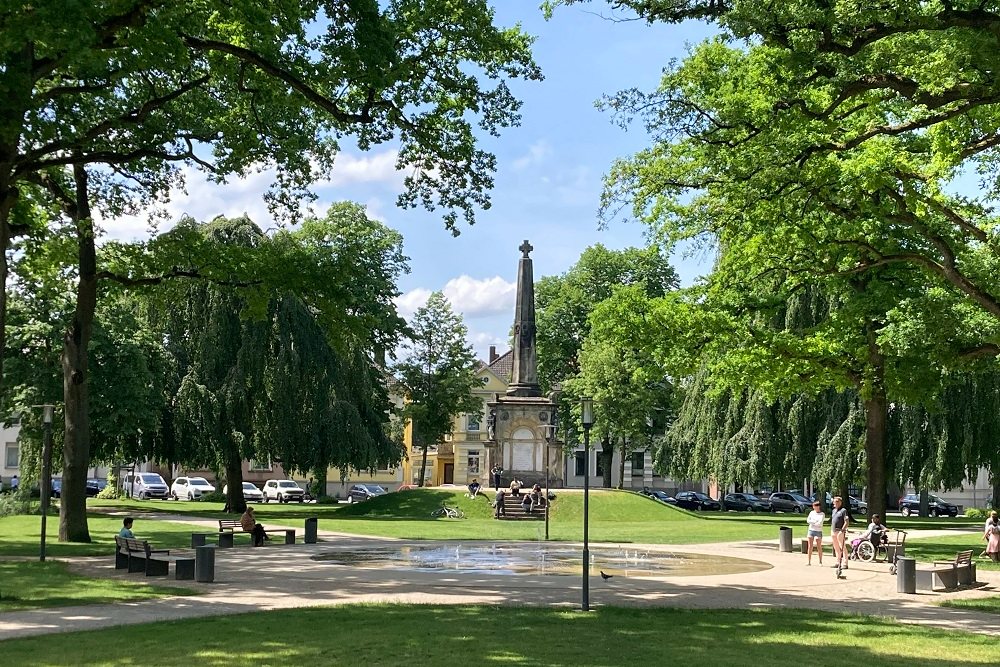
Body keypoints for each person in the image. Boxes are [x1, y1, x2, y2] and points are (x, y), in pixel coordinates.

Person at [830, 496, 850, 571]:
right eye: (835, 501)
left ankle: (845, 563)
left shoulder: (843, 511)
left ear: (840, 502)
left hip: (840, 531)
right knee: (836, 547)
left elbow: (847, 522)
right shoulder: (834, 510)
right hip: (833, 531)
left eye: (837, 501)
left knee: (842, 547)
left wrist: (842, 530)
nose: (835, 503)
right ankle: (838, 562)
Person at [805, 501, 824, 566]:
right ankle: (809, 561)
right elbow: (808, 520)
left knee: (819, 546)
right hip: (811, 530)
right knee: (810, 546)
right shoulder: (811, 513)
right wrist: (814, 522)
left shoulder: (822, 514)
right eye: (814, 506)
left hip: (818, 531)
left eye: (816, 506)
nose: (814, 508)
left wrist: (813, 522)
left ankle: (820, 561)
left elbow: (820, 523)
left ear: (818, 507)